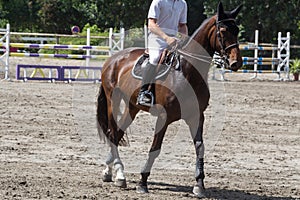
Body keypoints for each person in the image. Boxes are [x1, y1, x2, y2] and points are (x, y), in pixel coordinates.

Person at [137, 0, 188, 106]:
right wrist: (166, 38)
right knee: (155, 58)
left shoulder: (182, 3)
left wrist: (183, 39)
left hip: (174, 39)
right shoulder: (158, 1)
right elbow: (151, 24)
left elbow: (182, 26)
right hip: (157, 37)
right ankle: (144, 92)